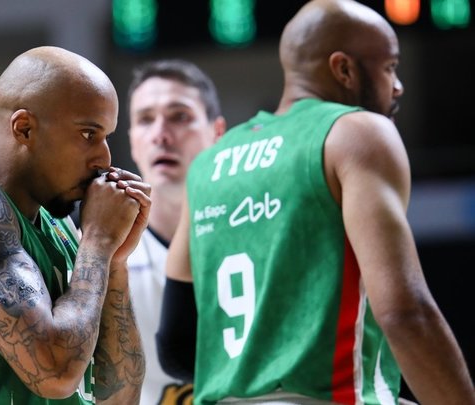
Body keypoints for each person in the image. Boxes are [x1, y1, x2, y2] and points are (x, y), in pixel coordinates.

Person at [157, 1, 475, 404]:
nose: (398, 86)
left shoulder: (209, 164)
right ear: (343, 69)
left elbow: (175, 345)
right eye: (390, 67)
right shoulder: (356, 133)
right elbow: (405, 314)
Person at [0, 46, 151, 404]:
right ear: (25, 128)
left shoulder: (63, 231)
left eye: (106, 137)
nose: (104, 158)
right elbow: (54, 373)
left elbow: (120, 398)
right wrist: (97, 243)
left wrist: (114, 262)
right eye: (88, 134)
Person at [126, 59, 226, 404]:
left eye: (179, 116)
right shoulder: (98, 255)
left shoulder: (255, 237)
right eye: (145, 119)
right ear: (132, 141)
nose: (160, 135)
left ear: (217, 133)